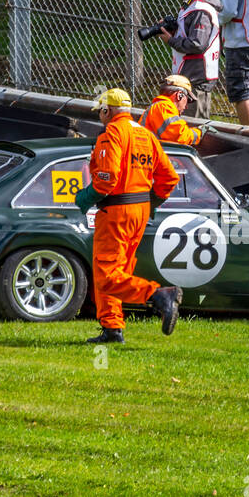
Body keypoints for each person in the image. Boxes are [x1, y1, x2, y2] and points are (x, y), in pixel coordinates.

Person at [74, 88, 182, 343]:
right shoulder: (146, 135)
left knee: (107, 275)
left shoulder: (112, 133)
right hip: (139, 210)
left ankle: (158, 295)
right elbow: (169, 178)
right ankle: (112, 328)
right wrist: (150, 203)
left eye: (100, 112)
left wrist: (85, 197)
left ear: (106, 111)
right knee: (118, 270)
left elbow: (106, 179)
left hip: (116, 211)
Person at [160, 0, 221, 122]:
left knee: (195, 129)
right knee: (184, 127)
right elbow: (189, 36)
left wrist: (171, 40)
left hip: (197, 78)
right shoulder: (190, 4)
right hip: (189, 76)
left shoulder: (201, 8)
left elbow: (197, 44)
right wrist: (174, 31)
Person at [143, 75, 207, 147]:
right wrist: (199, 132)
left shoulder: (160, 107)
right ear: (179, 95)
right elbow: (179, 136)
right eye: (187, 100)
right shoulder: (164, 107)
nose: (186, 106)